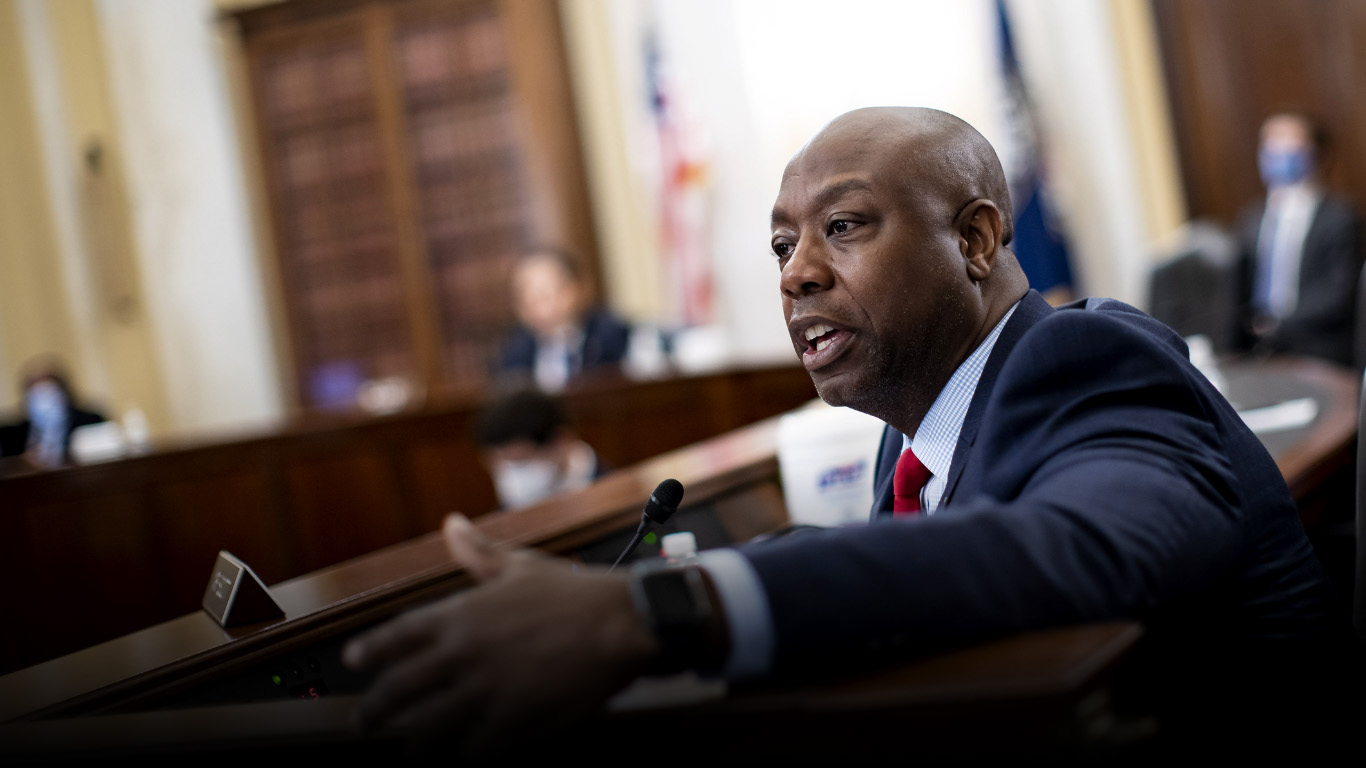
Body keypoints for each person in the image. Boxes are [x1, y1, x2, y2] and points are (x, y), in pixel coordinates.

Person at [342, 107, 1356, 759]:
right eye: (782, 245)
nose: (795, 273)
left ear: (975, 239)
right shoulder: (908, 434)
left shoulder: (1089, 359)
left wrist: (657, 615)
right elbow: (922, 554)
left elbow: (1076, 545)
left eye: (843, 226)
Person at [1234, 111, 1364, 367]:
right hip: (1258, 348)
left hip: (1319, 347)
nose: (1279, 151)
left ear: (1317, 154)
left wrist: (1279, 324)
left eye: (1290, 143)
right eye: (1271, 144)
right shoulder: (1252, 217)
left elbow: (1340, 292)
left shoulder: (1340, 217)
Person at [497, 247, 632, 392]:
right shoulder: (515, 354)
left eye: (545, 294)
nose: (538, 307)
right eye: (526, 297)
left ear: (579, 288)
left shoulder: (615, 337)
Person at [474, 387, 606, 509]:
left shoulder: (606, 490)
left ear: (561, 441)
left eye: (520, 463)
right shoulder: (511, 508)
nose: (509, 473)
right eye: (500, 463)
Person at [0, 356, 108, 471]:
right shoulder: (11, 435)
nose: (43, 402)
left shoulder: (90, 422)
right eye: (36, 395)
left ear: (63, 394)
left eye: (49, 394)